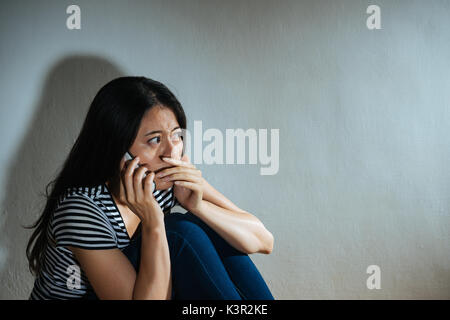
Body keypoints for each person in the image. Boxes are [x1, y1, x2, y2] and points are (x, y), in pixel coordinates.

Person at [26, 76, 274, 300]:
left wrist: (198, 206)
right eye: (154, 140)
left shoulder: (163, 181)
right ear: (118, 150)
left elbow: (263, 241)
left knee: (202, 224)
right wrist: (154, 222)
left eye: (176, 135)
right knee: (177, 233)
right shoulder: (82, 210)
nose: (171, 152)